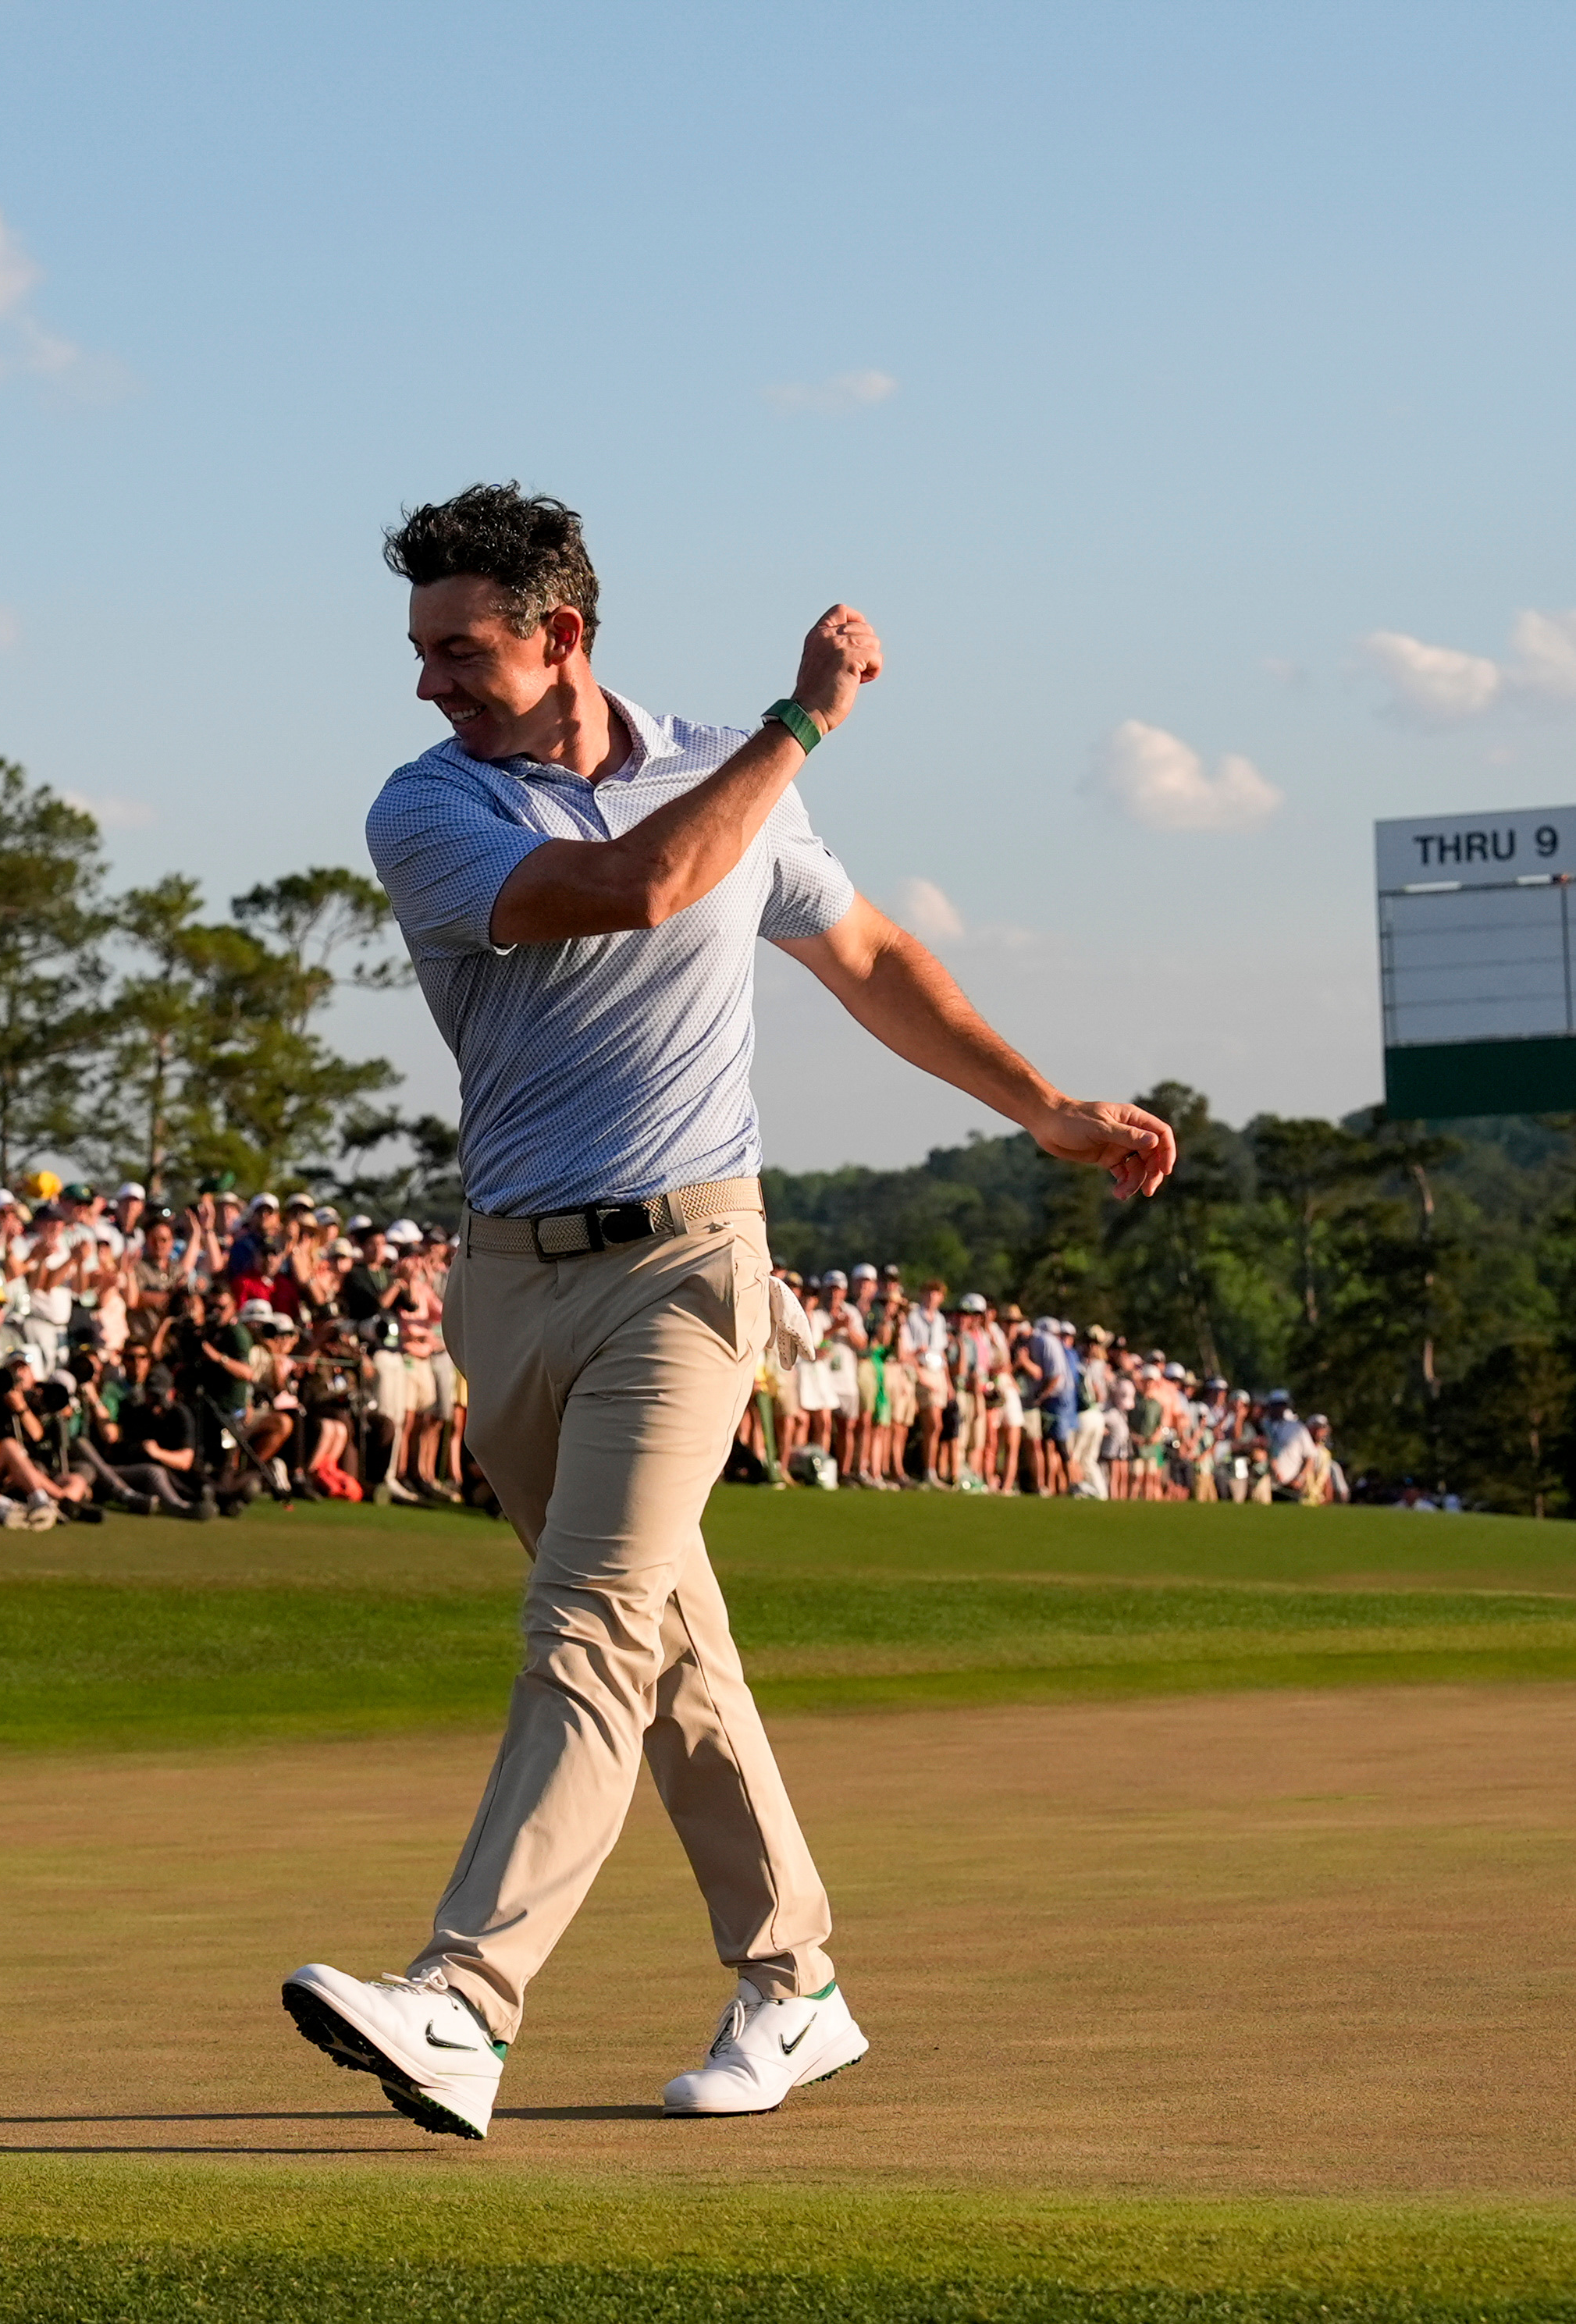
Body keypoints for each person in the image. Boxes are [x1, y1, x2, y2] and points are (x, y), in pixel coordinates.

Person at [284, 483, 1174, 2137]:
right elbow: (632, 885)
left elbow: (870, 955)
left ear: (560, 634)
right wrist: (797, 729)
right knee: (671, 1653)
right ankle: (795, 1983)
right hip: (507, 1280)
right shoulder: (427, 806)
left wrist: (1041, 1106)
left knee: (595, 1624)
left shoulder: (726, 767)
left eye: (460, 649)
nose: (429, 682)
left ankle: (465, 2003)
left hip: (689, 1265)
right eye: (418, 651)